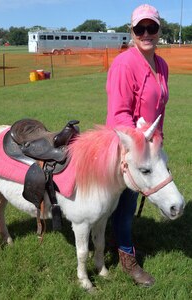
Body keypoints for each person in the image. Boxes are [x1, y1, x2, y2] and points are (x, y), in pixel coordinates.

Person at [106, 4, 169, 287]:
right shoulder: (123, 63)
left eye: (151, 28)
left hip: (148, 145)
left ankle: (119, 241)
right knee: (126, 204)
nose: (146, 33)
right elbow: (119, 114)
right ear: (131, 31)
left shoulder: (162, 65)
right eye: (140, 28)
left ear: (158, 30)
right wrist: (142, 144)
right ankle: (127, 257)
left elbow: (160, 108)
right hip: (128, 146)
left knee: (127, 204)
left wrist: (158, 139)